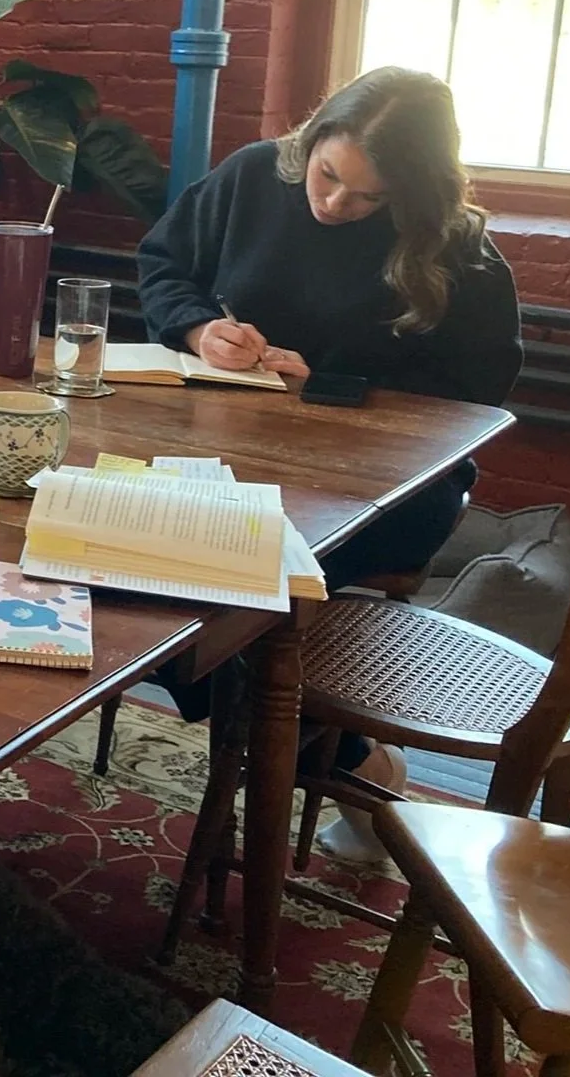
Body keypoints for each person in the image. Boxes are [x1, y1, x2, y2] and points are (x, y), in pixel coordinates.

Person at [136, 66, 523, 857]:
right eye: (326, 174)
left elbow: (478, 396)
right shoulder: (255, 174)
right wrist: (199, 330)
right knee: (151, 571)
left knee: (236, 590)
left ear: (412, 196)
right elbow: (163, 263)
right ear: (309, 144)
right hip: (235, 450)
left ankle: (307, 749)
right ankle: (350, 756)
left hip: (393, 485)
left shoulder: (457, 247)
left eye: (365, 198)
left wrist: (335, 382)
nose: (333, 203)